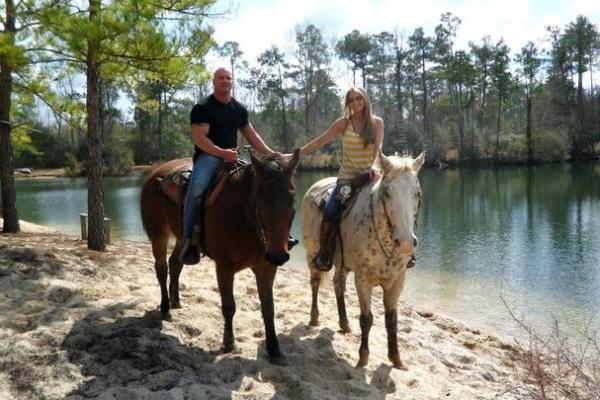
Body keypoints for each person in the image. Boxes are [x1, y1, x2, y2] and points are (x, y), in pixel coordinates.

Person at [179, 67, 291, 265]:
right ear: (213, 82)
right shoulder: (203, 108)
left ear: (232, 82)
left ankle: (277, 236)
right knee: (195, 189)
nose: (225, 81)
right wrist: (223, 153)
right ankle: (189, 241)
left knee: (263, 186)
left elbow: (251, 135)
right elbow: (199, 139)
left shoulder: (238, 109)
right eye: (220, 78)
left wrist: (270, 152)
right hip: (209, 157)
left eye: (228, 78)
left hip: (233, 157)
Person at [288, 86, 384, 271]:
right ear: (347, 103)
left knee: (396, 201)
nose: (355, 102)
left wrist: (374, 166)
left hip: (371, 176)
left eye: (359, 98)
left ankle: (404, 250)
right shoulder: (343, 123)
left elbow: (378, 149)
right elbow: (319, 141)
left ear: (365, 99)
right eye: (351, 100)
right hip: (348, 179)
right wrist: (294, 155)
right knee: (331, 210)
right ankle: (325, 251)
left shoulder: (377, 122)